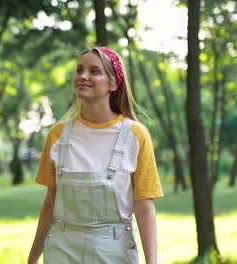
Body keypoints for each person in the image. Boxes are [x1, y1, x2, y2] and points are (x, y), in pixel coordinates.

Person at [27, 46, 163, 264]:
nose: (83, 76)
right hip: (61, 250)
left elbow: (144, 208)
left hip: (115, 251)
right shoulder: (57, 135)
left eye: (94, 71)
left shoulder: (136, 136)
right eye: (79, 70)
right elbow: (50, 204)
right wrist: (32, 259)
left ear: (113, 83)